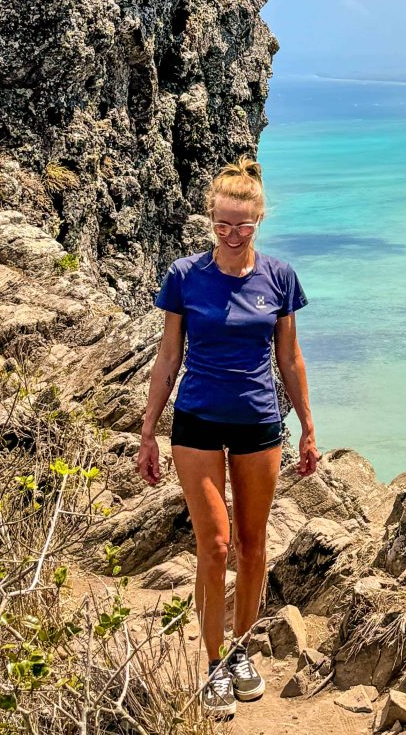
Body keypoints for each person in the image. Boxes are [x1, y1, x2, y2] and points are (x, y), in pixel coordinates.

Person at [137, 155, 319, 719]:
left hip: (261, 425)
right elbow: (169, 358)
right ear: (209, 219)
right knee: (213, 546)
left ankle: (242, 651)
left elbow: (288, 357)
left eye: (242, 224)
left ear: (259, 222)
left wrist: (309, 428)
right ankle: (213, 663)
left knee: (253, 545)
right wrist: (148, 431)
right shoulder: (184, 276)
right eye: (222, 223)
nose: (232, 234)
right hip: (195, 423)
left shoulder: (280, 277)